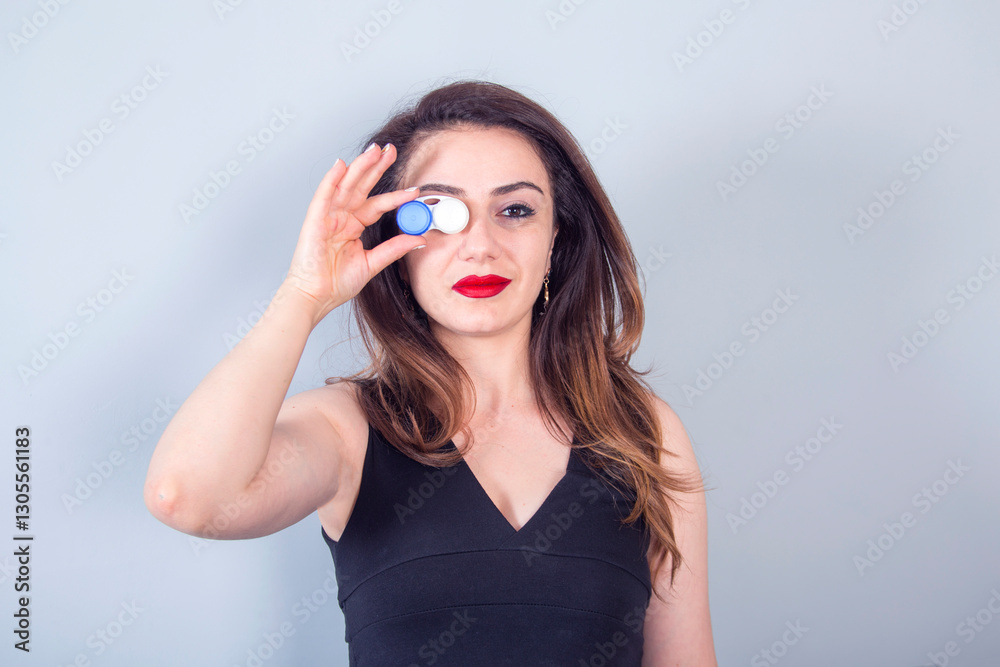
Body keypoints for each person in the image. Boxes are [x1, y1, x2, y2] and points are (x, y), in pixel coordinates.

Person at [144, 79, 716, 665]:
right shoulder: (347, 430)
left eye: (515, 210)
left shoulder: (644, 434)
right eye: (440, 213)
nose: (480, 245)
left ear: (555, 240)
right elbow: (185, 496)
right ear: (397, 243)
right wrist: (304, 295)